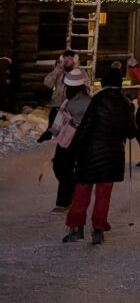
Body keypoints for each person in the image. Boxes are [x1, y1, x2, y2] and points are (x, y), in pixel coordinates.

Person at [62, 66, 137, 245]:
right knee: (104, 194)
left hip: (90, 154)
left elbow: (86, 127)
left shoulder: (96, 101)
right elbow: (132, 132)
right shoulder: (126, 104)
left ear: (104, 83)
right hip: (112, 157)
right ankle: (98, 230)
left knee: (82, 191)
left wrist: (73, 148)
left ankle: (76, 227)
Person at [49, 68, 92, 211]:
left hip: (77, 138)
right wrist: (52, 131)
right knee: (59, 166)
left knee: (65, 167)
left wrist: (79, 127)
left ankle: (64, 202)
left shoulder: (87, 101)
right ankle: (71, 189)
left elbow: (91, 120)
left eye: (71, 87)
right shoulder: (68, 99)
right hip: (64, 136)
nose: (68, 89)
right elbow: (61, 116)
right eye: (68, 87)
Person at [39, 49, 79, 138]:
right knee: (51, 133)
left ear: (74, 59)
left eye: (69, 58)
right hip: (56, 106)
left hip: (70, 109)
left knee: (67, 135)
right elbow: (48, 84)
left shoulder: (78, 74)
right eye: (65, 57)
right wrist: (56, 71)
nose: (67, 60)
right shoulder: (59, 72)